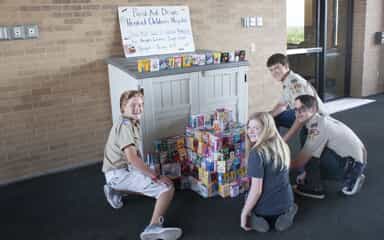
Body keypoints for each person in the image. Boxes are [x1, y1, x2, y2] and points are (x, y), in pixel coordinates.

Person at [102, 90, 182, 240]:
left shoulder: (131, 123)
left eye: (141, 104)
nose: (138, 108)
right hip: (119, 173)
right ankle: (153, 226)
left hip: (116, 173)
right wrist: (156, 176)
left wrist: (149, 171)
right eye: (133, 105)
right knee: (167, 188)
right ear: (123, 107)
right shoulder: (126, 125)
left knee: (148, 186)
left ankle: (114, 190)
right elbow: (132, 158)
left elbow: (135, 156)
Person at [291, 95, 367, 199]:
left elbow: (300, 162)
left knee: (309, 149)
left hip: (351, 165)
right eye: (296, 109)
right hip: (355, 160)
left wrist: (276, 165)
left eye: (302, 109)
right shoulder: (318, 119)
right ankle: (315, 174)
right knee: (307, 139)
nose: (297, 113)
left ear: (313, 109)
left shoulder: (318, 127)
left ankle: (315, 188)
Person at [241, 112, 298, 233]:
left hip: (263, 210)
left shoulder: (256, 153)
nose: (250, 131)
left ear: (266, 129)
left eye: (256, 128)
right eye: (249, 127)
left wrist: (243, 214)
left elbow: (256, 191)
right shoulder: (282, 145)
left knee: (247, 195)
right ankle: (288, 212)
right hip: (285, 203)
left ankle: (257, 219)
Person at [266, 53, 327, 142]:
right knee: (273, 117)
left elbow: (302, 114)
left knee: (307, 146)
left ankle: (279, 145)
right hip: (305, 114)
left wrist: (285, 138)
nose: (274, 73)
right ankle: (275, 145)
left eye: (277, 68)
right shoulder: (287, 80)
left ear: (286, 66)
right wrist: (266, 117)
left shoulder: (295, 82)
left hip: (316, 119)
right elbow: (281, 105)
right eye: (271, 70)